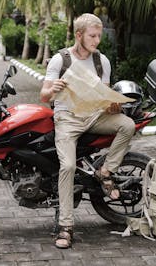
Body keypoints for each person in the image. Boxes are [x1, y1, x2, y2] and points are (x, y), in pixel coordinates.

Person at [40, 13, 136, 249]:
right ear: (79, 35)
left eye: (99, 35)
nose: (97, 40)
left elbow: (103, 95)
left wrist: (113, 104)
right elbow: (43, 96)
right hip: (68, 119)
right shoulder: (59, 60)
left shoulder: (100, 61)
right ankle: (66, 227)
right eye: (92, 36)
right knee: (69, 166)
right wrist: (54, 87)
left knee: (127, 125)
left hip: (94, 115)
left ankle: (106, 171)